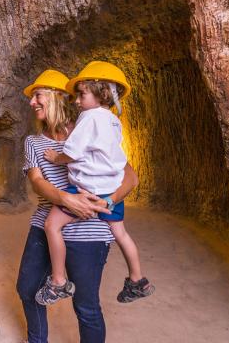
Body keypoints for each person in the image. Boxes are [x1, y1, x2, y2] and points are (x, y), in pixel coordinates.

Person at [16, 69, 139, 343]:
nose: (31, 102)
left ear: (57, 97)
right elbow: (37, 180)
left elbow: (130, 176)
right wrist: (66, 199)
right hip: (49, 220)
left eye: (38, 95)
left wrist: (106, 201)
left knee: (86, 306)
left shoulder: (92, 127)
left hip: (91, 228)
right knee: (27, 289)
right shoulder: (33, 142)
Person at [37, 61, 154, 306]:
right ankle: (137, 279)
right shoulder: (113, 121)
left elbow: (73, 151)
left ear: (100, 93)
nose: (77, 101)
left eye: (81, 94)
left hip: (87, 190)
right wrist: (111, 198)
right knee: (120, 233)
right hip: (111, 191)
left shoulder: (88, 118)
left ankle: (58, 281)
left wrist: (55, 157)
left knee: (51, 225)